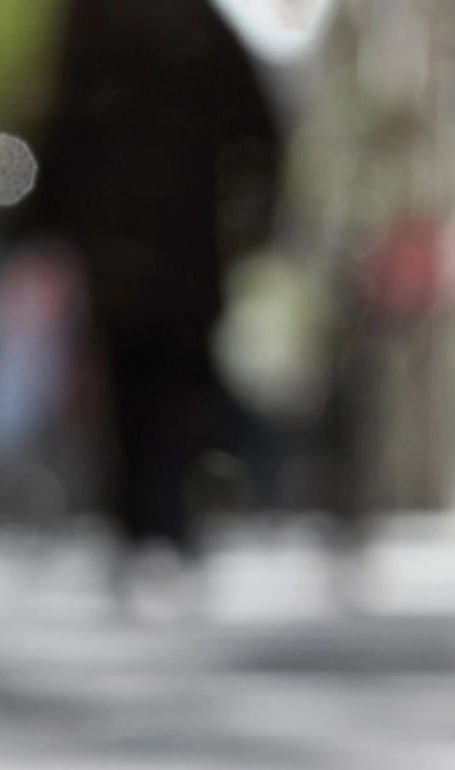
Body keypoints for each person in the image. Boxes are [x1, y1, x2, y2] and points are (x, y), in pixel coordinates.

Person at [24, 0, 282, 564]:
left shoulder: (156, 27)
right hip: (152, 256)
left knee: (162, 390)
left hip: (161, 254)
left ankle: (157, 521)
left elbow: (60, 126)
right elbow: (62, 128)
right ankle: (150, 523)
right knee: (145, 391)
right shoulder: (150, 25)